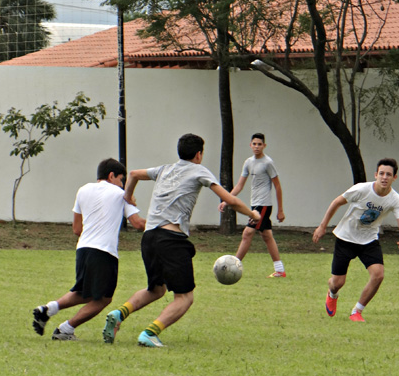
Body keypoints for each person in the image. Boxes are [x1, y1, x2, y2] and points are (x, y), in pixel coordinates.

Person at [102, 133, 260, 348]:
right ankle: (150, 333)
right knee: (185, 297)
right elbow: (229, 199)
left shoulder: (164, 169)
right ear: (199, 154)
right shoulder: (199, 170)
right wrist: (253, 215)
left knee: (156, 289)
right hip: (171, 238)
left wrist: (127, 196)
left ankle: (119, 313)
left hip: (149, 237)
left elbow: (134, 174)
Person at [32, 158, 146, 341]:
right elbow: (138, 223)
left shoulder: (83, 190)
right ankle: (65, 330)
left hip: (83, 248)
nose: (123, 184)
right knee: (104, 299)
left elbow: (77, 229)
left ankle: (47, 310)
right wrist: (161, 226)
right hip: (104, 251)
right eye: (121, 179)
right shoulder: (120, 193)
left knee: (84, 292)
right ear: (112, 176)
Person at [312, 158, 399, 322]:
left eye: (388, 174)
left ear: (395, 177)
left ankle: (356, 311)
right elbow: (336, 202)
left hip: (369, 240)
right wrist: (322, 227)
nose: (384, 177)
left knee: (378, 275)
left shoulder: (395, 199)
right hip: (346, 238)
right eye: (381, 173)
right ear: (376, 175)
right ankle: (332, 293)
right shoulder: (362, 189)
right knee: (338, 283)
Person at [218, 133, 287, 278]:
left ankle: (233, 266)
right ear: (250, 145)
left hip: (264, 205)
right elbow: (239, 185)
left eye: (259, 144)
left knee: (247, 233)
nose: (256, 147)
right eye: (254, 144)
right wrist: (226, 199)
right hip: (255, 204)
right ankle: (280, 270)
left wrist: (280, 210)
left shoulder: (268, 163)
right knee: (267, 235)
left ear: (264, 146)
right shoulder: (248, 162)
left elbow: (278, 186)